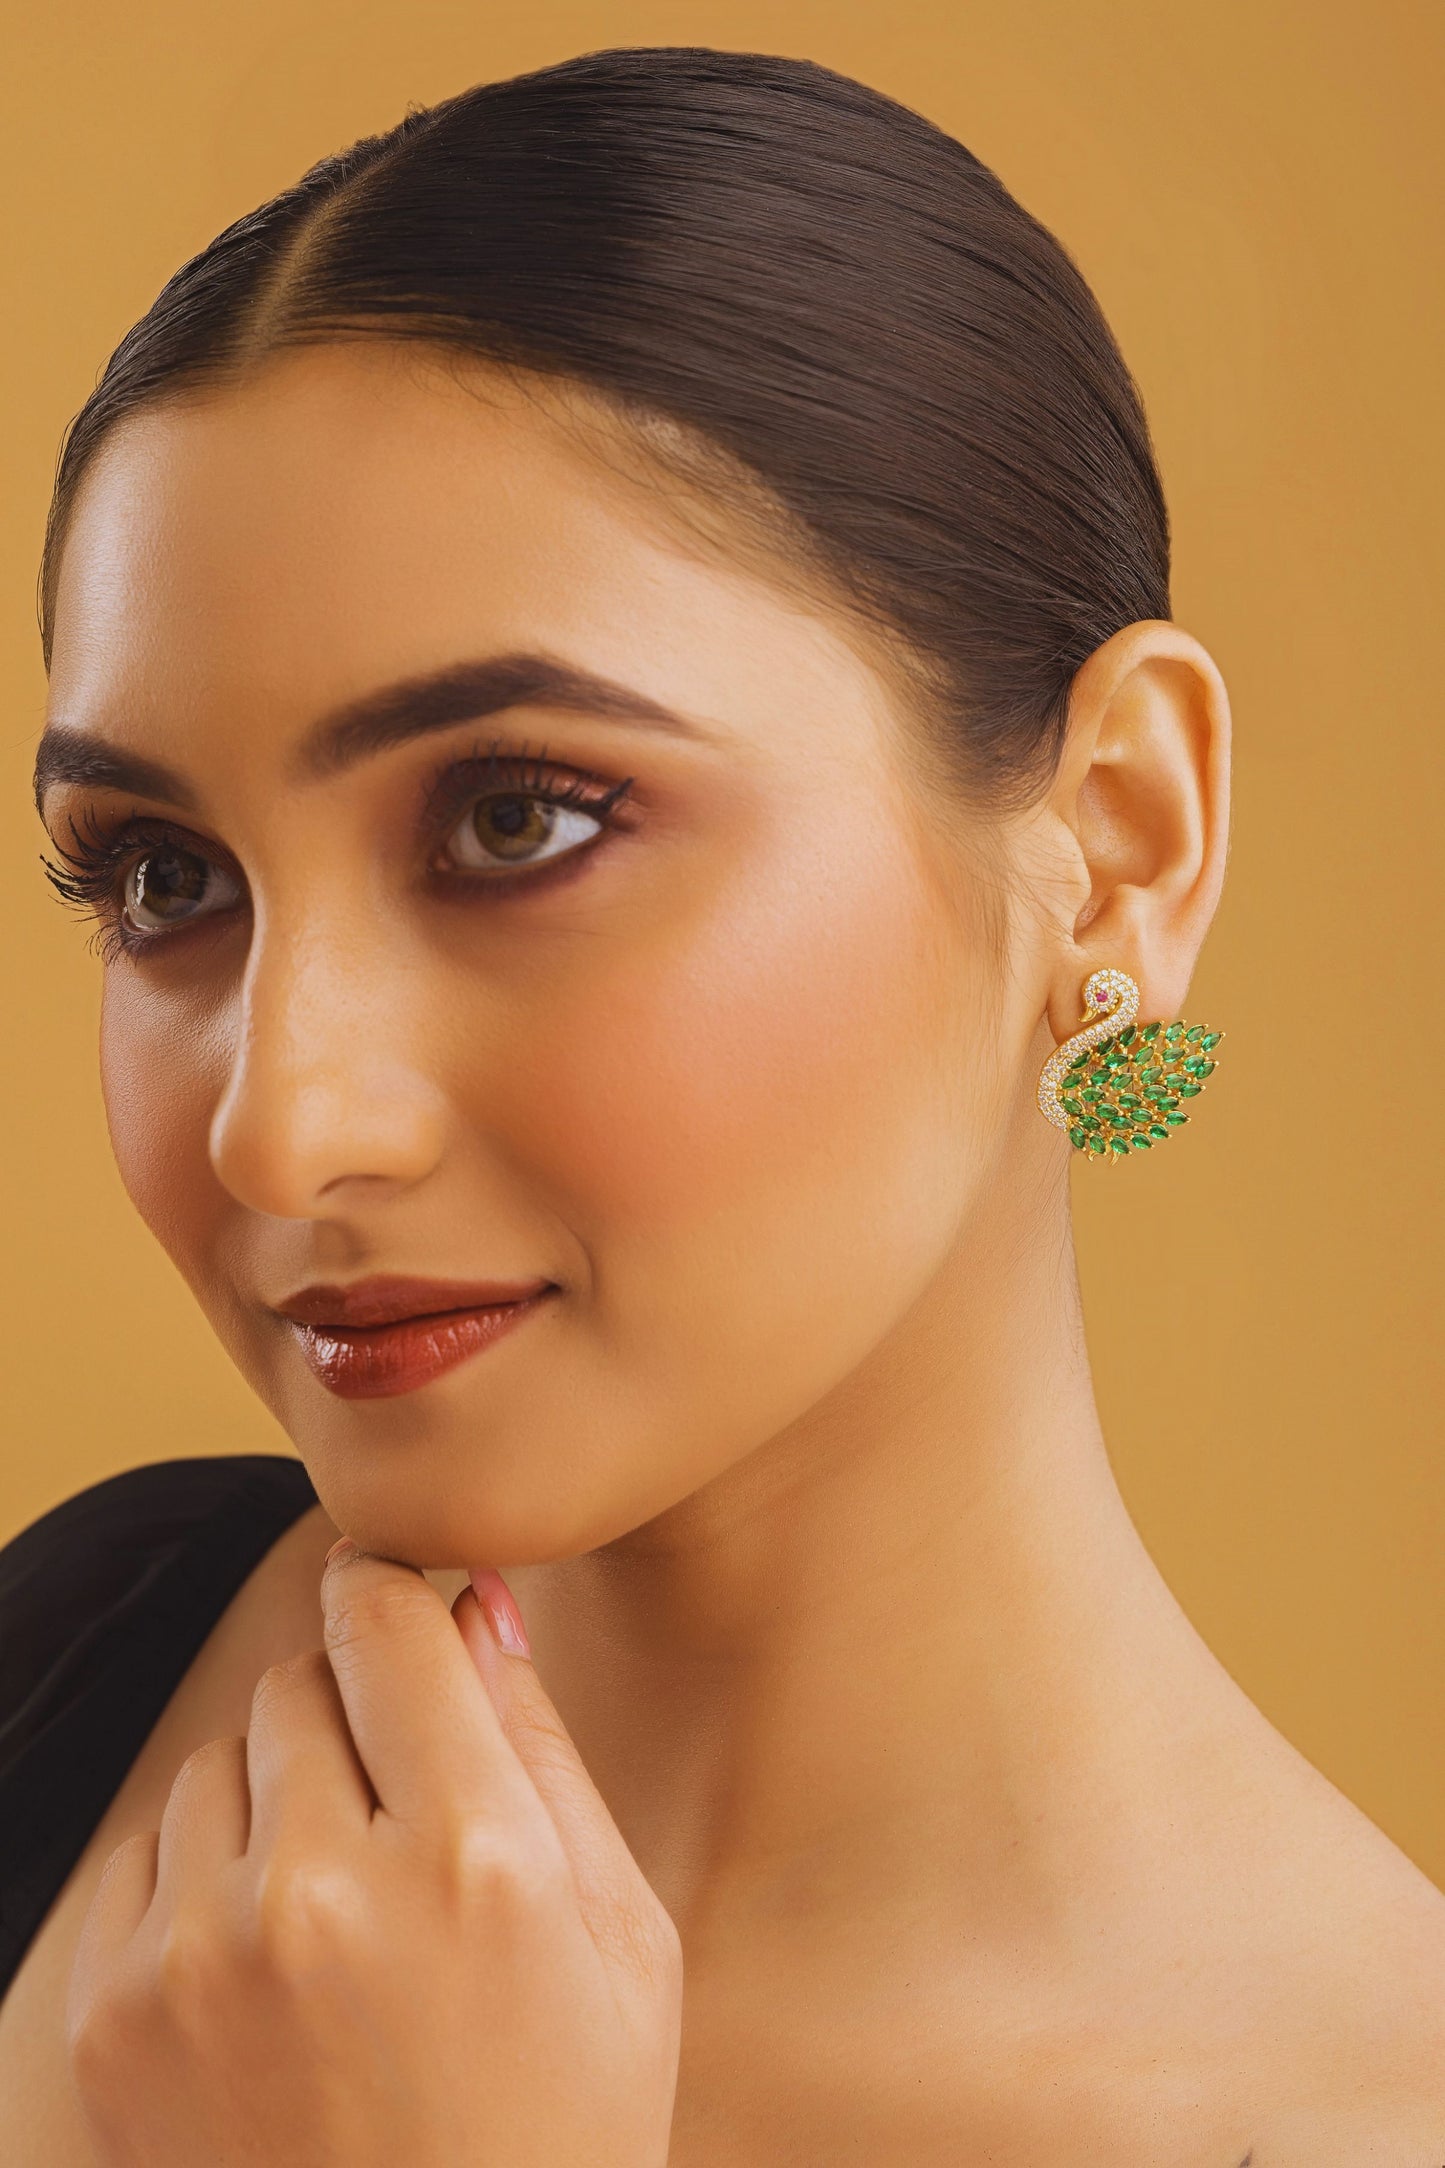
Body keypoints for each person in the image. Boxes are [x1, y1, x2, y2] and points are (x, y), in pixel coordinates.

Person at [1, 43, 1441, 2166]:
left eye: (515, 820)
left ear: (1119, 844)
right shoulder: (77, 1651)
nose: (279, 1129)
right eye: (165, 878)